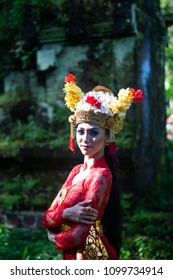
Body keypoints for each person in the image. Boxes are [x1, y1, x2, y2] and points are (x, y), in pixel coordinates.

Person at [42, 74, 143, 260]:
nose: (85, 139)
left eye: (94, 133)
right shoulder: (76, 171)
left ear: (107, 138)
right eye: (80, 131)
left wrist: (53, 236)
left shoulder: (101, 175)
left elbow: (79, 235)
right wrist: (67, 213)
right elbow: (46, 217)